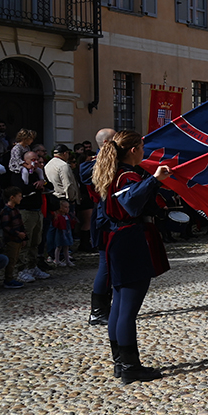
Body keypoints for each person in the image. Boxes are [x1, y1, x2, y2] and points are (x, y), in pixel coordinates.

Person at [93, 131, 173, 384]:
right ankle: (130, 366)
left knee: (119, 306)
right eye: (141, 147)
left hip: (119, 239)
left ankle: (121, 363)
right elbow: (130, 202)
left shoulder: (115, 173)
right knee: (127, 307)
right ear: (132, 150)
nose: (144, 151)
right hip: (130, 239)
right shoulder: (127, 175)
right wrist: (155, 180)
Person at [81, 127, 116, 325]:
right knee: (105, 265)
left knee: (114, 266)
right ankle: (97, 311)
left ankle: (109, 307)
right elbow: (88, 176)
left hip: (113, 218)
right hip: (105, 220)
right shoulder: (92, 166)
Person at [14, 151, 51, 280]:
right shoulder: (19, 173)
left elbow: (49, 185)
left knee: (36, 241)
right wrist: (36, 187)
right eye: (33, 160)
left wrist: (43, 182)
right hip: (26, 210)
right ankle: (22, 269)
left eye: (37, 159)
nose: (35, 163)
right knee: (26, 241)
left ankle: (32, 266)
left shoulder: (37, 173)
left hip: (37, 210)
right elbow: (22, 189)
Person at [0, 188, 29, 289]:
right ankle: (8, 279)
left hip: (18, 238)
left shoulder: (15, 210)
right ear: (12, 197)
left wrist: (24, 237)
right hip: (11, 239)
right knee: (11, 260)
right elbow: (6, 226)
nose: (21, 198)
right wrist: (17, 234)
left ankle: (11, 277)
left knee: (15, 259)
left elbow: (20, 224)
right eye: (19, 196)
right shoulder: (6, 211)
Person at [48, 198, 76, 267]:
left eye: (68, 207)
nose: (67, 209)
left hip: (67, 232)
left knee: (66, 247)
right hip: (60, 233)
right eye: (65, 207)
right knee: (58, 247)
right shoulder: (58, 217)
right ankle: (56, 260)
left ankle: (67, 260)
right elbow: (56, 225)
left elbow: (70, 224)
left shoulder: (67, 216)